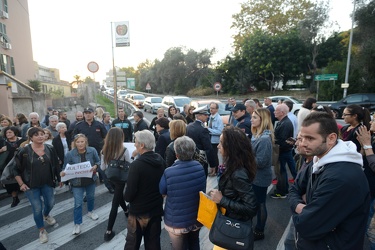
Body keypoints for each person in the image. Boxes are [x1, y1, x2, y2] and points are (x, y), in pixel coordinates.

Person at [288, 112, 370, 249]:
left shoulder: (341, 178)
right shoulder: (318, 159)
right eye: (301, 138)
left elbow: (307, 226)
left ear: (331, 138)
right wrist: (299, 205)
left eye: (310, 138)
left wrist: (304, 210)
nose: (303, 144)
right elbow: (293, 190)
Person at [209, 126, 258, 249]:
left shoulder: (238, 173)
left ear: (231, 147)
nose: (218, 146)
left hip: (233, 227)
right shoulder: (234, 165)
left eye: (221, 143)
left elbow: (251, 208)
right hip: (229, 222)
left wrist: (222, 200)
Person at [14, 127, 62, 244]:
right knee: (37, 208)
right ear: (31, 137)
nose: (40, 136)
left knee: (51, 203)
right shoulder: (24, 151)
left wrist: (60, 179)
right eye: (37, 135)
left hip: (47, 182)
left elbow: (56, 164)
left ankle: (46, 215)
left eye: (42, 134)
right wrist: (21, 184)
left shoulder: (50, 148)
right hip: (30, 185)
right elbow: (15, 170)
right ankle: (41, 230)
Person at [159, 136, 206, 249]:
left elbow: (162, 191)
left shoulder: (169, 172)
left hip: (176, 221)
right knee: (194, 242)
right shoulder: (199, 166)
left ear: (176, 154)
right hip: (195, 217)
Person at [124, 130, 166, 250]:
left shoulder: (136, 165)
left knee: (132, 244)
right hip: (156, 210)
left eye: (136, 142)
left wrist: (125, 197)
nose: (134, 144)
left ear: (142, 145)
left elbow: (129, 194)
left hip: (138, 212)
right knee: (153, 244)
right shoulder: (160, 160)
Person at [61, 133, 100, 235]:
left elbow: (98, 161)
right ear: (75, 143)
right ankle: (77, 223)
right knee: (78, 203)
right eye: (78, 142)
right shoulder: (70, 154)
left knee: (91, 197)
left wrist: (95, 166)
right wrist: (63, 173)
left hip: (90, 180)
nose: (80, 144)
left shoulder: (92, 150)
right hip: (76, 182)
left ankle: (90, 211)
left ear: (86, 142)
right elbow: (65, 167)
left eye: (82, 141)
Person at [100, 127, 131, 242]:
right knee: (114, 203)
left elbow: (102, 167)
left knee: (118, 196)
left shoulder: (104, 150)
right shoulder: (124, 150)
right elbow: (129, 163)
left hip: (110, 178)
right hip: (120, 179)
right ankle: (108, 231)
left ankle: (126, 211)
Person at [73, 107, 113, 193]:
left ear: (93, 113)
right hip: (84, 153)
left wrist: (105, 149)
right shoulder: (79, 126)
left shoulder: (99, 125)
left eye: (89, 113)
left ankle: (110, 187)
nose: (87, 114)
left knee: (103, 171)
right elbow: (74, 140)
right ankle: (87, 193)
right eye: (86, 113)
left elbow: (106, 137)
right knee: (87, 174)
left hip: (99, 152)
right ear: (84, 114)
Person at [250, 108, 274, 240]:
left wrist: (245, 155)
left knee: (260, 204)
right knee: (257, 203)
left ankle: (259, 231)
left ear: (262, 120)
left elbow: (261, 162)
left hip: (260, 178)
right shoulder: (257, 135)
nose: (251, 119)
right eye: (252, 116)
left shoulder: (264, 139)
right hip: (254, 176)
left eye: (255, 117)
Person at [356, 117, 375, 248]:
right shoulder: (372, 137)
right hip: (368, 187)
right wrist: (364, 145)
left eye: (374, 120)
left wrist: (367, 145)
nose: (371, 122)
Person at [271, 103, 296, 198]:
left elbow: (282, 141)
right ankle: (283, 190)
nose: (274, 112)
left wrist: (272, 140)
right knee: (282, 171)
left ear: (282, 112)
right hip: (284, 151)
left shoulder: (285, 123)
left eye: (276, 111)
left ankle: (282, 191)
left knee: (281, 172)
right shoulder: (283, 122)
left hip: (282, 151)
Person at [186, 106, 216, 177]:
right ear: (198, 116)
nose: (207, 116)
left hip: (190, 158)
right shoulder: (203, 129)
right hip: (200, 160)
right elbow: (208, 148)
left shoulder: (189, 126)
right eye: (205, 115)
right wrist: (212, 164)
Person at [1, 126, 25, 207]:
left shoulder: (22, 140)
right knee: (10, 182)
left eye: (10, 132)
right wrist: (1, 150)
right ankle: (15, 198)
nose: (8, 134)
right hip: (8, 165)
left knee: (25, 179)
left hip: (22, 164)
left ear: (15, 132)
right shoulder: (3, 142)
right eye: (6, 133)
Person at [207, 102, 224, 176]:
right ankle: (212, 169)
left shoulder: (219, 118)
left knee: (214, 156)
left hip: (215, 140)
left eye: (213, 108)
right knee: (211, 155)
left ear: (217, 109)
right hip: (209, 139)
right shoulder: (210, 117)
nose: (211, 110)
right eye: (210, 108)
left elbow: (220, 131)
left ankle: (216, 171)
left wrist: (209, 130)